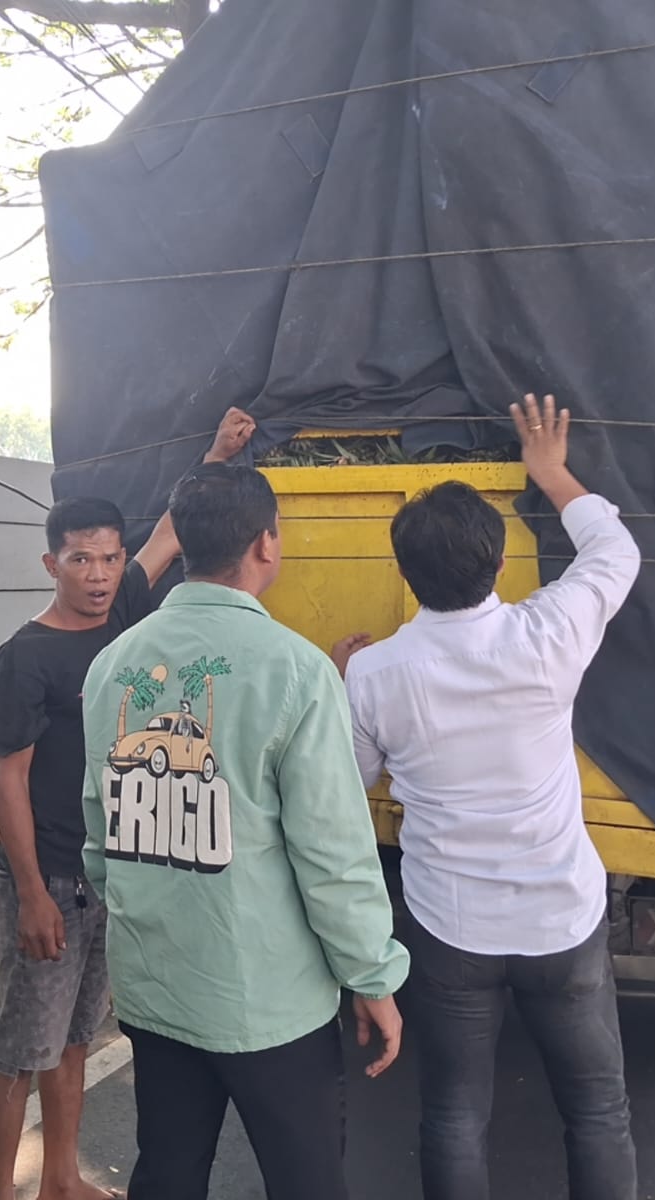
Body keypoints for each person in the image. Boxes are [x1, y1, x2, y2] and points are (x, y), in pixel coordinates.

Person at [334, 394, 642, 1200]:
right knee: (597, 1112)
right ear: (500, 565)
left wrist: (343, 683)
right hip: (560, 919)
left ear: (404, 574)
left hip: (449, 928)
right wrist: (550, 472)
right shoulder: (548, 632)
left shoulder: (374, 673)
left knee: (452, 1115)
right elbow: (614, 552)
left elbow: (351, 783)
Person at [80, 462, 410, 1200]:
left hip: (156, 987)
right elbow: (332, 855)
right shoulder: (297, 671)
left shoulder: (111, 666)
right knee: (306, 1181)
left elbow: (100, 835)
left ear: (183, 543)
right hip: (270, 1002)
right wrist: (372, 976)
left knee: (167, 1174)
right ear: (266, 544)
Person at [0, 408, 256, 1200]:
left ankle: (60, 1179)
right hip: (47, 878)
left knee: (74, 1039)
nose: (98, 575)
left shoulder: (125, 607)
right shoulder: (23, 660)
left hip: (106, 873)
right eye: (80, 560)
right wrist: (32, 893)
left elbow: (168, 532)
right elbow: (9, 781)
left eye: (107, 558)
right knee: (19, 1053)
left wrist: (215, 453)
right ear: (51, 563)